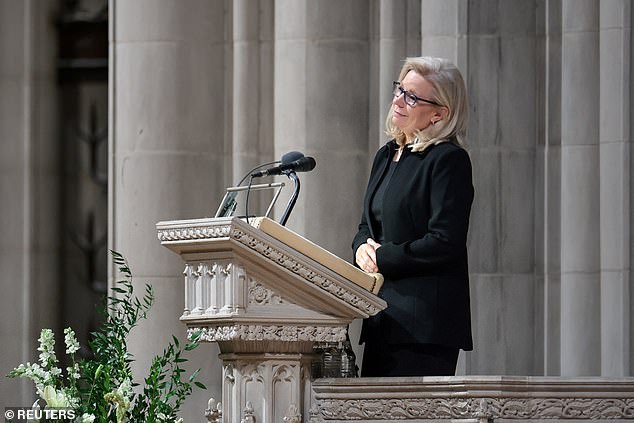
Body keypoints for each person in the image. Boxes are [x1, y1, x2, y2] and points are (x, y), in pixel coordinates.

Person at [352, 56, 474, 377]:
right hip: (381, 317)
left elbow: (444, 242)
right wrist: (360, 250)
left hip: (424, 326)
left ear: (439, 113)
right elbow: (367, 225)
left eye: (412, 97)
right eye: (399, 90)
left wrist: (383, 257)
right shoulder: (386, 155)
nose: (398, 101)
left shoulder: (449, 160)